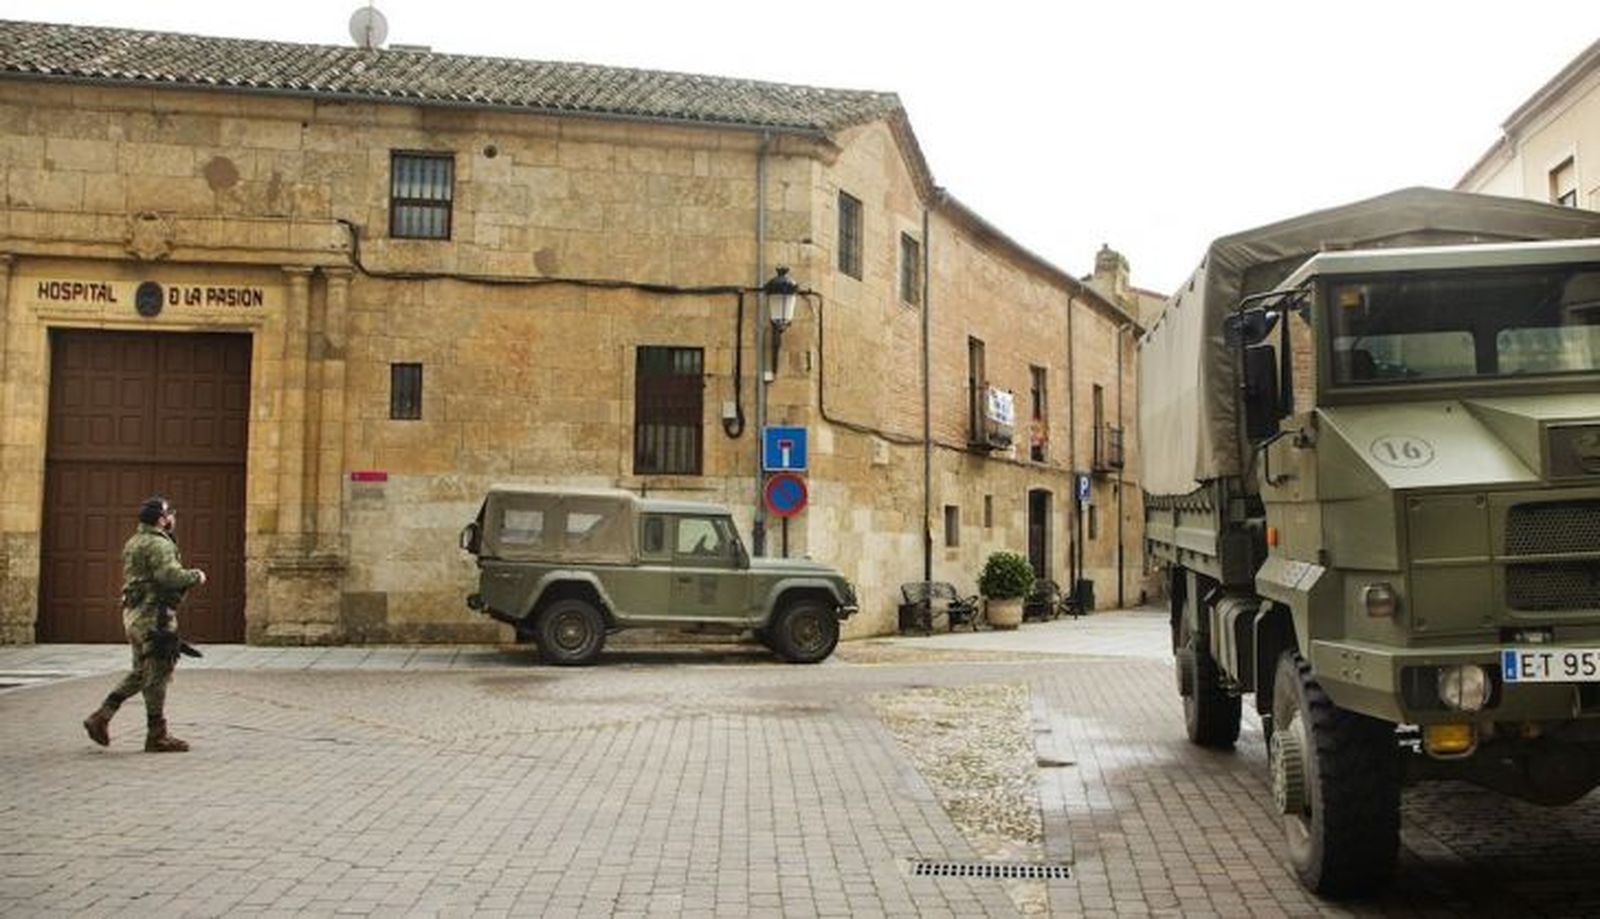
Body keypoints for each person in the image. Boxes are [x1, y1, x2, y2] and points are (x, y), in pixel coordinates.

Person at [81, 496, 206, 753]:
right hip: (155, 618)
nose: (173, 518)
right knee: (158, 673)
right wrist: (196, 576)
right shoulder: (158, 544)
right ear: (162, 518)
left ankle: (101, 717)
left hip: (135, 614)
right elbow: (168, 576)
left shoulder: (134, 541)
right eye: (170, 514)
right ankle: (157, 734)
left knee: (141, 671)